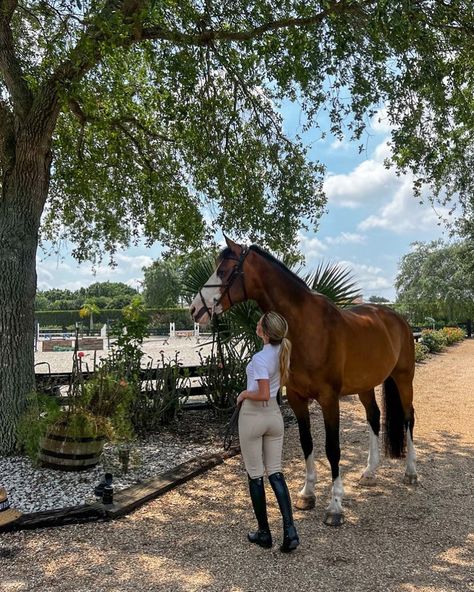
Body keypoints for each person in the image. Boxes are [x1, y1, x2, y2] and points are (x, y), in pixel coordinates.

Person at [236, 311, 299, 552]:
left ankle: (264, 533)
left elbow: (260, 393)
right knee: (275, 472)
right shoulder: (283, 350)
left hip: (253, 415)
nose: (256, 324)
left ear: (264, 331)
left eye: (260, 323)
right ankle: (290, 530)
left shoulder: (261, 358)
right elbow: (271, 391)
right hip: (274, 415)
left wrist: (243, 394)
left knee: (255, 475)